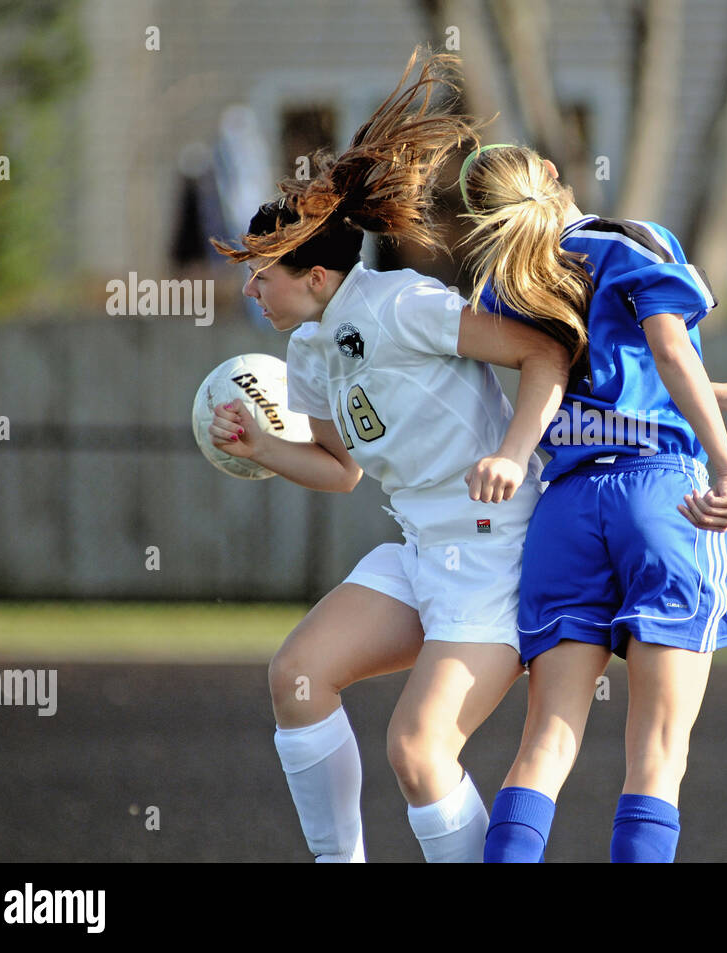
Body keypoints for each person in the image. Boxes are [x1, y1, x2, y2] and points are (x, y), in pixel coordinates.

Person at [208, 50, 569, 863]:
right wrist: (263, 445)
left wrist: (516, 451)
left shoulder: (404, 302)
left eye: (263, 275)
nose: (252, 291)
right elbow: (342, 469)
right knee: (297, 675)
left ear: (320, 273)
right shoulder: (308, 349)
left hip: (500, 554)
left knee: (416, 749)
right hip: (423, 553)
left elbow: (547, 352)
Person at [456, 143, 727, 862]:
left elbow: (604, 388)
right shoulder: (629, 239)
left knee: (544, 743)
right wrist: (726, 463)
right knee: (657, 756)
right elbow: (668, 352)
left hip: (567, 507)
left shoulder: (506, 282)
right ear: (549, 175)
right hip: (660, 495)